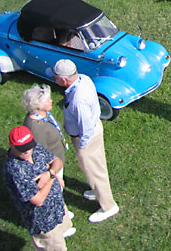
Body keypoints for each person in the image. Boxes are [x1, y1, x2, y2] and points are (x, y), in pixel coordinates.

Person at [53, 60, 119, 223]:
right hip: (93, 130)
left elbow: (86, 125)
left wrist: (82, 145)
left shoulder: (78, 100)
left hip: (87, 137)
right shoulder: (83, 78)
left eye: (56, 78)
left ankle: (108, 206)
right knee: (96, 166)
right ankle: (97, 190)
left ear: (64, 80)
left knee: (94, 169)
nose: (55, 80)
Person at [4, 126, 74, 250]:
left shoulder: (34, 148)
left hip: (57, 206)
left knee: (63, 227)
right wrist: (52, 177)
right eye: (23, 149)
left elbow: (57, 161)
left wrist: (49, 174)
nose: (27, 152)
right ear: (11, 145)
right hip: (44, 221)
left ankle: (61, 233)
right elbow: (38, 200)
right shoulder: (15, 170)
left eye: (29, 147)